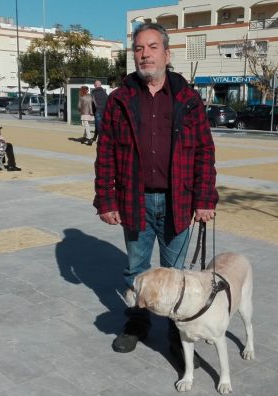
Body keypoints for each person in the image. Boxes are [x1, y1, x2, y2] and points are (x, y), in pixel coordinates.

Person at [93, 22, 218, 366]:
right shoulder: (120, 100)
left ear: (167, 53)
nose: (144, 54)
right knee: (135, 268)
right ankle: (137, 321)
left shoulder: (188, 99)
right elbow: (105, 154)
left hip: (179, 199)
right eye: (138, 48)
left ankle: (179, 334)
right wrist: (106, 199)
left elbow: (205, 152)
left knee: (175, 272)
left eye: (151, 47)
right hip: (134, 199)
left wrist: (206, 199)